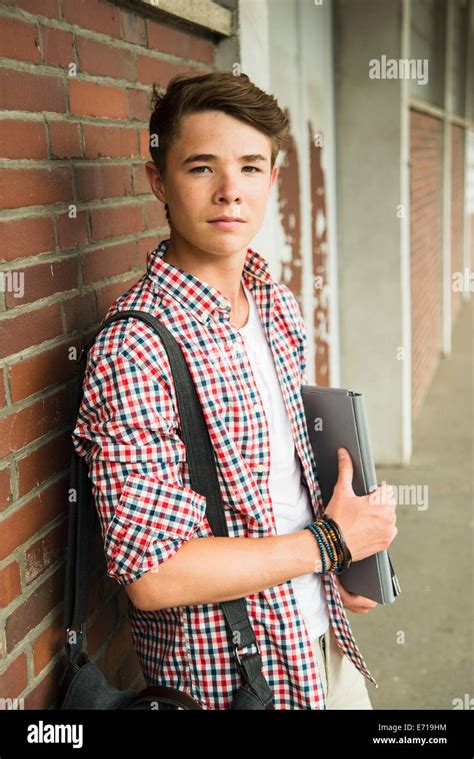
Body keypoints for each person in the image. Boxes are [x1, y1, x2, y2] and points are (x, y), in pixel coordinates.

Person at [71, 71, 398, 710]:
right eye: (201, 168)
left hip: (325, 647)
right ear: (159, 181)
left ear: (272, 180)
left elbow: (281, 490)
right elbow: (155, 574)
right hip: (234, 685)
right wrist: (331, 542)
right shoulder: (135, 348)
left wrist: (348, 558)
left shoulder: (274, 304)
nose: (230, 192)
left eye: (250, 167)